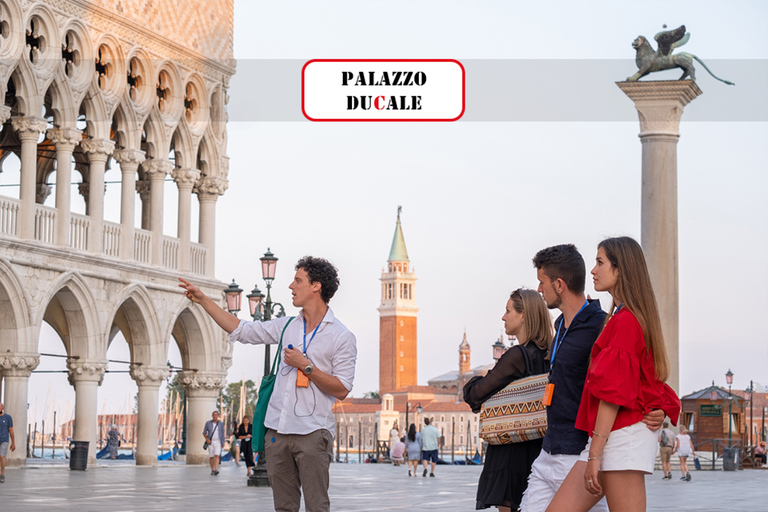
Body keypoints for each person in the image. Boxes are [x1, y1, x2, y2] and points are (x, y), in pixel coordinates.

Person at [180, 256, 357, 512]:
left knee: (317, 506)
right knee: (283, 508)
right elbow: (242, 330)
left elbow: (342, 388)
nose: (291, 286)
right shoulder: (286, 326)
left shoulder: (341, 336)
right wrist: (203, 300)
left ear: (316, 286)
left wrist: (305, 365)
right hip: (277, 432)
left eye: (298, 280)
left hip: (313, 434)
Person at [521, 244, 664, 512]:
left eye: (600, 262)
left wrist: (594, 454)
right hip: (606, 440)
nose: (593, 270)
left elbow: (613, 391)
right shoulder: (617, 319)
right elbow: (643, 374)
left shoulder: (620, 322)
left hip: (617, 439)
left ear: (620, 270)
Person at [463, 288, 553, 511]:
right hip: (541, 448)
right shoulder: (551, 353)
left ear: (524, 315)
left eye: (508, 310)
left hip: (510, 449)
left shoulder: (517, 356)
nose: (503, 317)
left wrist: (476, 380)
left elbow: (476, 394)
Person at [203, 410, 225, 475]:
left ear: (218, 416)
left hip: (218, 441)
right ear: (212, 416)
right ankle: (212, 469)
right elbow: (204, 432)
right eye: (214, 415)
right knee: (212, 457)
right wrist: (207, 439)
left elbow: (222, 433)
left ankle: (216, 469)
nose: (215, 416)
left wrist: (222, 442)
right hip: (211, 442)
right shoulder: (208, 423)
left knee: (217, 455)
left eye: (216, 415)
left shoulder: (220, 423)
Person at [0, 402, 14, 484]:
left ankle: (2, 474)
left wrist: (13, 443)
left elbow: (11, 431)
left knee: (2, 457)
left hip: (4, 440)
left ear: (2, 408)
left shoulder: (8, 417)